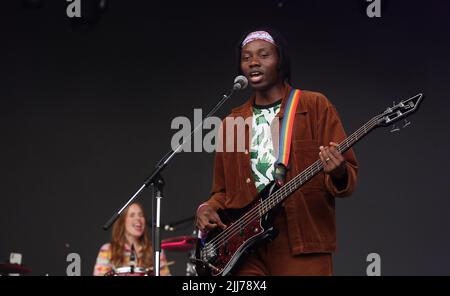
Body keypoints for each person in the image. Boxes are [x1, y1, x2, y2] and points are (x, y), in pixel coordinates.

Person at [195, 28, 358, 275]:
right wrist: (206, 207)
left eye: (263, 55)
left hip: (301, 239)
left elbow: (348, 176)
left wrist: (338, 172)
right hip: (244, 250)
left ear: (280, 60)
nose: (254, 63)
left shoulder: (314, 105)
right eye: (246, 57)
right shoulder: (232, 122)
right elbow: (222, 191)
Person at [94, 202, 171, 276]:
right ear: (122, 221)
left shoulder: (155, 250)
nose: (138, 219)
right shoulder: (108, 250)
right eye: (132, 215)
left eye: (141, 215)